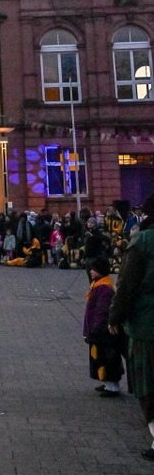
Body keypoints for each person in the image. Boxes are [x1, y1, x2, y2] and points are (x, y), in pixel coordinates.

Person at [109, 192, 154, 461]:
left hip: (147, 325)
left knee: (148, 384)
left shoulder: (144, 241)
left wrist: (115, 316)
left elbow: (127, 284)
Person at [83, 255, 124, 397]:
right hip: (98, 330)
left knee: (107, 357)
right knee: (100, 357)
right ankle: (106, 382)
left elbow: (102, 311)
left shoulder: (104, 288)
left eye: (94, 269)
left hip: (102, 331)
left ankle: (112, 386)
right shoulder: (99, 285)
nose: (91, 271)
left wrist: (95, 329)